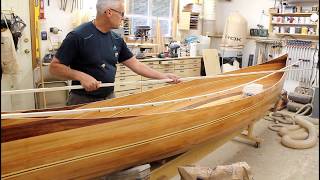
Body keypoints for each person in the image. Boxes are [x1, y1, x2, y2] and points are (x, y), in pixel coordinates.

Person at [49, 0, 180, 106]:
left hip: (109, 98)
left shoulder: (117, 39)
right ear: (109, 12)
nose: (124, 18)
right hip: (82, 101)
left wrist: (163, 76)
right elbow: (54, 68)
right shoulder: (78, 36)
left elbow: (137, 65)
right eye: (122, 13)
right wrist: (81, 76)